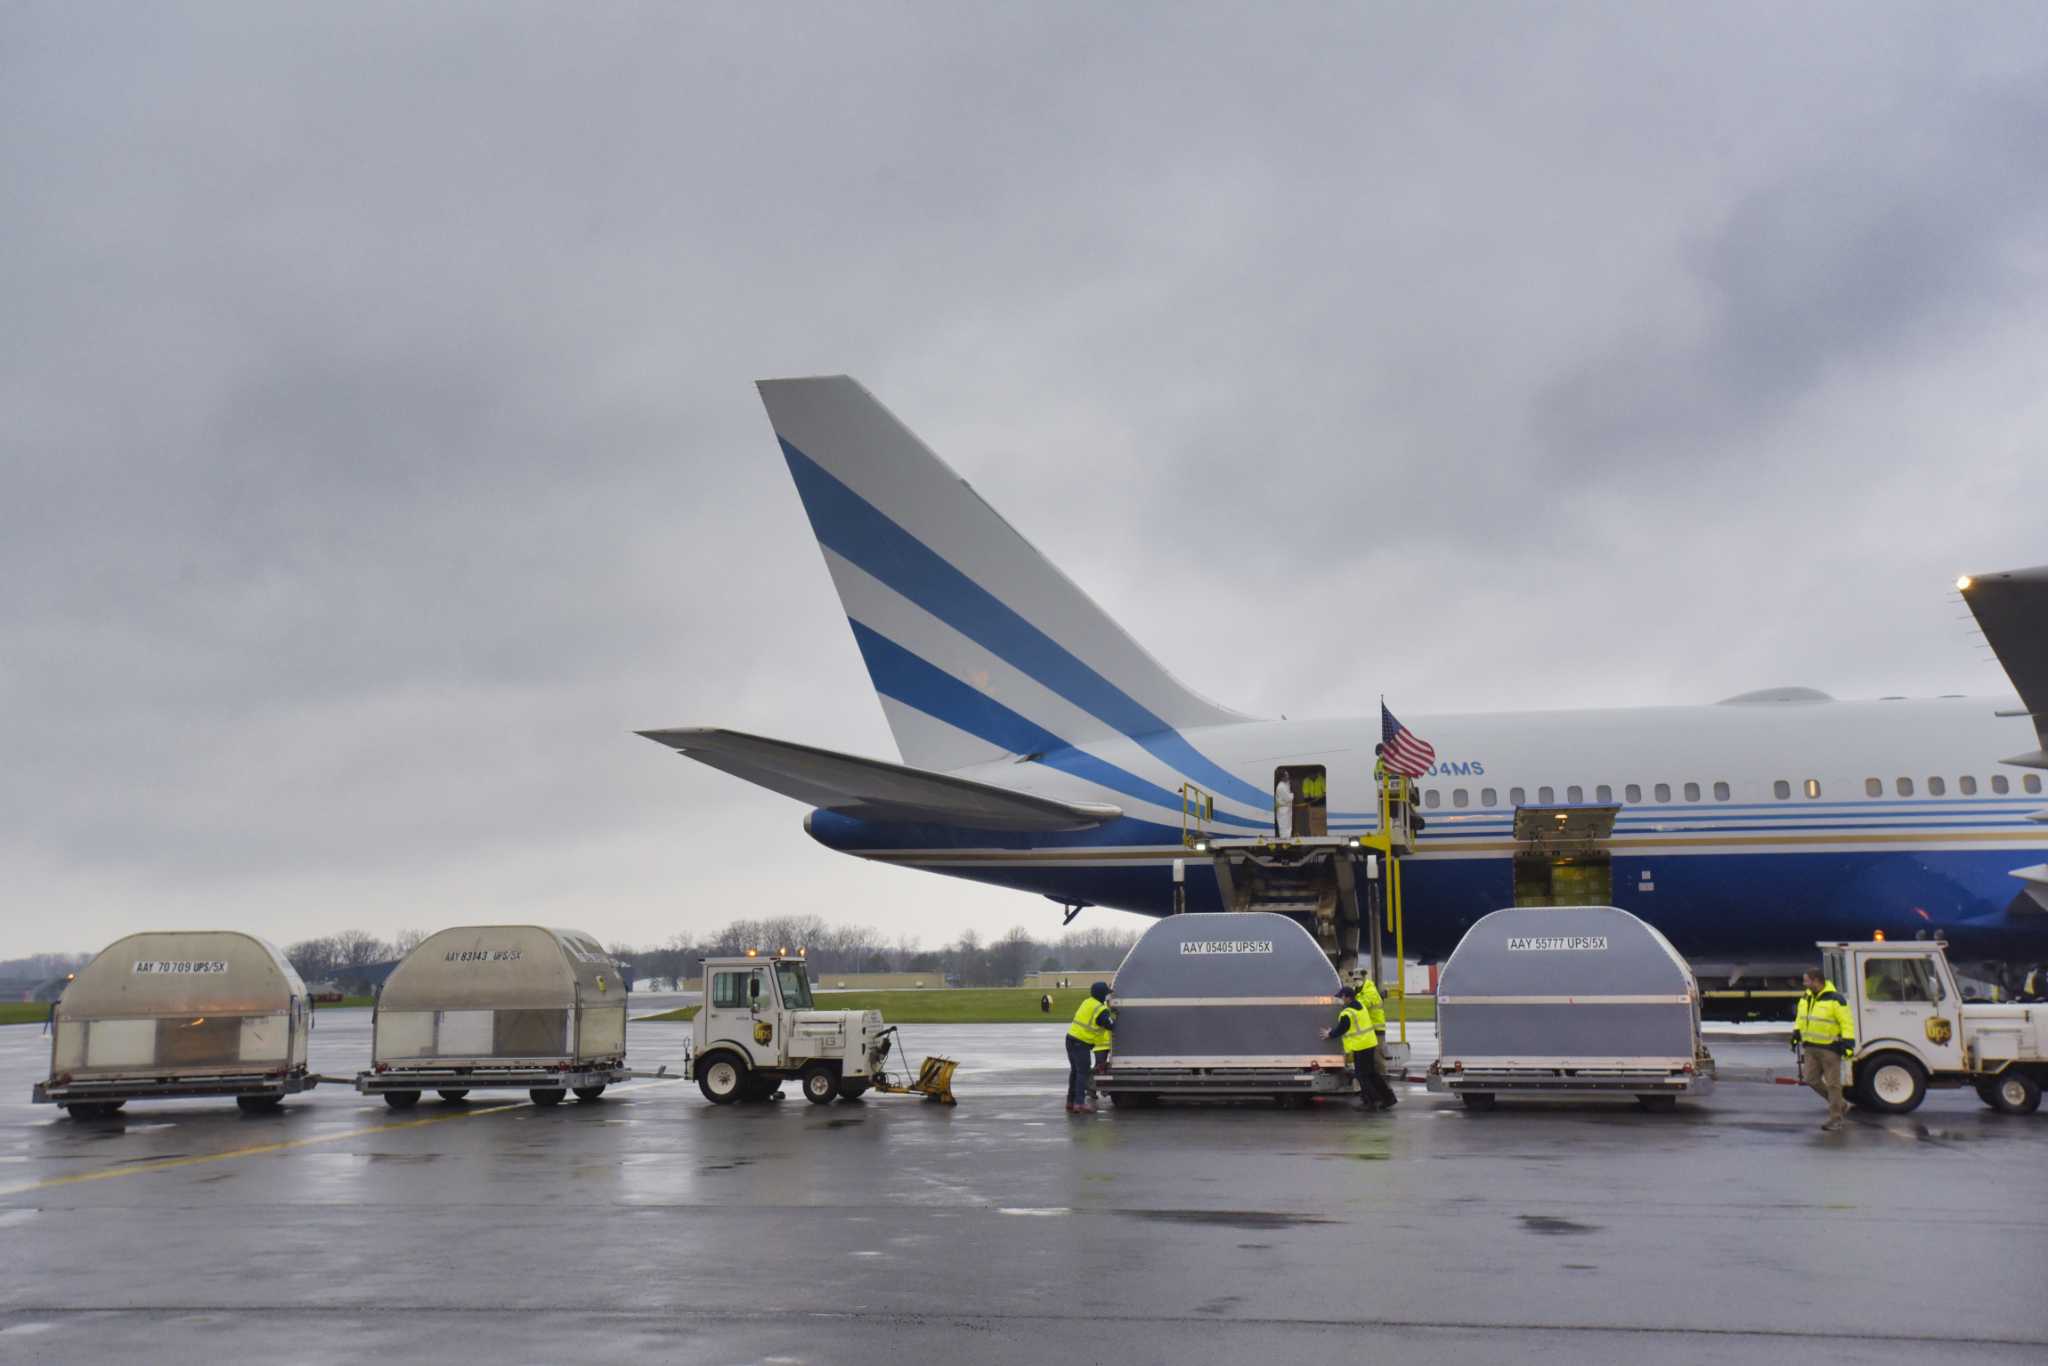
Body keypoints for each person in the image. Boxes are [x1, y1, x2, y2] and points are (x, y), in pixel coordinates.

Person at [1793, 967, 1856, 1131]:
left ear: (1816, 981)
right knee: (1810, 1079)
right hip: (1810, 1046)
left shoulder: (1836, 999)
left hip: (1829, 1048)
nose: (1804, 983)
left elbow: (1846, 1022)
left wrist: (1849, 1043)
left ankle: (1836, 1119)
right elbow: (1801, 1018)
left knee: (1833, 1084)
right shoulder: (1806, 997)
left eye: (1806, 980)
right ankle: (1840, 1104)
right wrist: (1796, 1033)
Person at [1325, 984, 1398, 1111]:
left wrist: (1329, 1034)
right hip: (1369, 1043)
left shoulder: (1347, 1013)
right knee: (1372, 1074)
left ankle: (1371, 1102)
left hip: (1361, 1046)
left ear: (1347, 998)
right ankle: (1388, 1098)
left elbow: (1342, 1029)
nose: (1340, 1000)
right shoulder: (1361, 1006)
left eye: (1341, 997)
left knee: (1362, 1075)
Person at [1066, 981, 1114, 1113]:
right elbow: (1110, 1025)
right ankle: (1079, 1104)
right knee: (1083, 1073)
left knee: (1075, 1072)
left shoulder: (1087, 1002)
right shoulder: (1100, 1009)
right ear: (1101, 995)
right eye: (1106, 994)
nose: (1106, 997)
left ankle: (1070, 1101)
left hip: (1070, 1039)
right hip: (1081, 1043)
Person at [1355, 973, 1398, 1105]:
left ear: (1363, 979)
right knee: (1369, 1067)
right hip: (1368, 1032)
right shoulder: (1360, 992)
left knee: (1376, 1063)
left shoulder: (1370, 991)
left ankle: (1381, 1092)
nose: (1355, 981)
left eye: (1357, 979)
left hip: (1375, 1031)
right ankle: (1378, 1095)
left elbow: (1361, 1005)